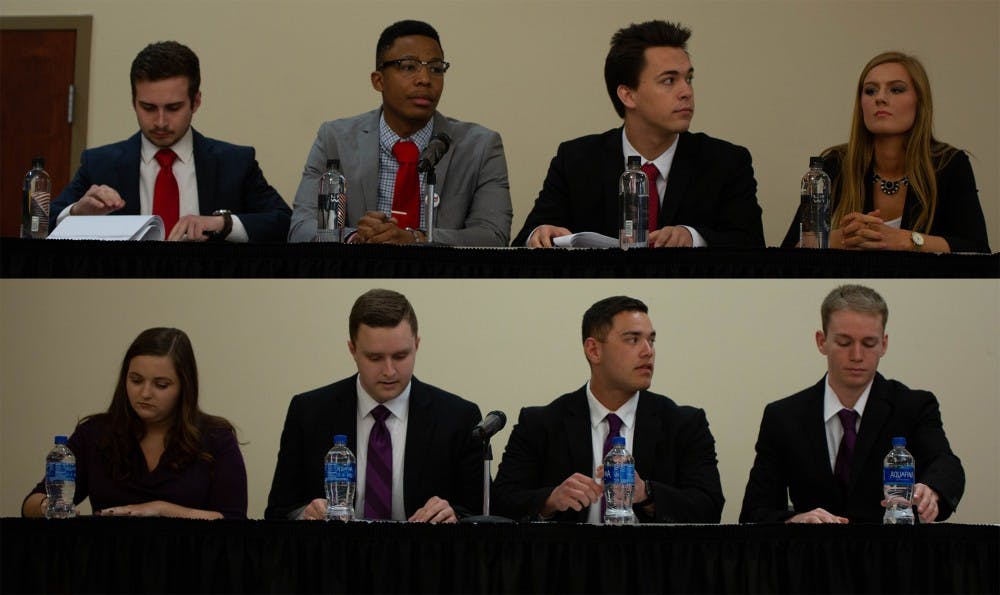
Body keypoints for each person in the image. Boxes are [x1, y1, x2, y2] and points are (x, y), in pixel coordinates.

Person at [512, 20, 764, 248]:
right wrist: (540, 233)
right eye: (669, 80)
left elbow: (752, 243)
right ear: (628, 95)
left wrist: (693, 237)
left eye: (689, 78)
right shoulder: (576, 159)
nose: (686, 91)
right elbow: (525, 238)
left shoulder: (726, 162)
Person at [740, 285, 965, 524]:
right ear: (821, 341)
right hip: (812, 555)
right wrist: (793, 521)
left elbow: (946, 464)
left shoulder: (914, 406)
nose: (857, 355)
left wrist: (933, 490)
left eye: (868, 344)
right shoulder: (783, 417)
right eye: (845, 342)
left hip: (892, 555)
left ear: (884, 344)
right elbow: (754, 512)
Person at [492, 296, 724, 523]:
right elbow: (501, 503)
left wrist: (647, 493)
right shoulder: (541, 423)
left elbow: (710, 508)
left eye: (651, 340)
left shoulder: (684, 424)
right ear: (594, 350)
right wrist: (551, 500)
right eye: (633, 339)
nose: (648, 351)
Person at [287, 20, 512, 246]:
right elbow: (301, 227)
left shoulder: (481, 147)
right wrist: (355, 236)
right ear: (379, 80)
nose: (425, 79)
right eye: (408, 66)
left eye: (435, 68)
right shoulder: (335, 139)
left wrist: (416, 238)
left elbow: (492, 235)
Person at [266, 289, 483, 522]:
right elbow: (279, 510)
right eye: (375, 358)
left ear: (417, 345)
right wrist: (303, 515)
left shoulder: (459, 417)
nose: (389, 371)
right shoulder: (308, 412)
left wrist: (454, 518)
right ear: (353, 350)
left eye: (400, 356)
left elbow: (483, 513)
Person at [49, 41, 290, 242]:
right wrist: (79, 213)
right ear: (134, 102)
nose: (161, 122)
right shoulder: (99, 164)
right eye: (148, 108)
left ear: (196, 102)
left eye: (173, 108)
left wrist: (222, 223)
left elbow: (284, 221)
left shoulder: (234, 162)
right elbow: (44, 223)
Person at [21, 328, 248, 519]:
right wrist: (50, 507)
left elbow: (233, 520)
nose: (145, 393)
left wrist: (161, 509)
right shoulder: (95, 433)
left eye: (161, 384)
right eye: (136, 380)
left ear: (184, 388)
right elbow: (31, 503)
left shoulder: (216, 437)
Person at [781, 52, 990, 253]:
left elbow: (978, 250)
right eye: (870, 91)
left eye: (896, 89)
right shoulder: (835, 163)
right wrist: (838, 238)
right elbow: (785, 253)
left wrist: (909, 241)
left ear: (920, 101)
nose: (880, 98)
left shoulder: (949, 164)